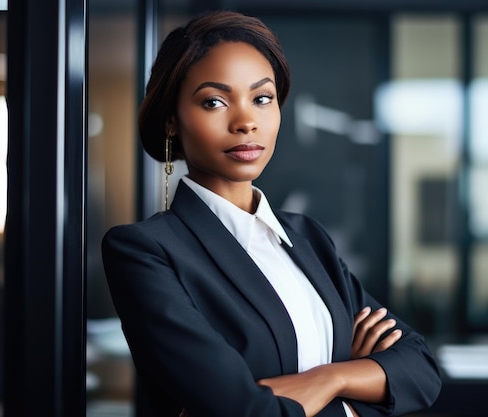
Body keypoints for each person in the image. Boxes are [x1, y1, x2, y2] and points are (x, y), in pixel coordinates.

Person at [102, 10, 442, 417]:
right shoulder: (146, 251)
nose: (246, 122)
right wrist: (360, 379)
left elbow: (420, 369)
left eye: (262, 98)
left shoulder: (307, 237)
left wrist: (329, 378)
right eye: (214, 101)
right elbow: (240, 410)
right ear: (173, 120)